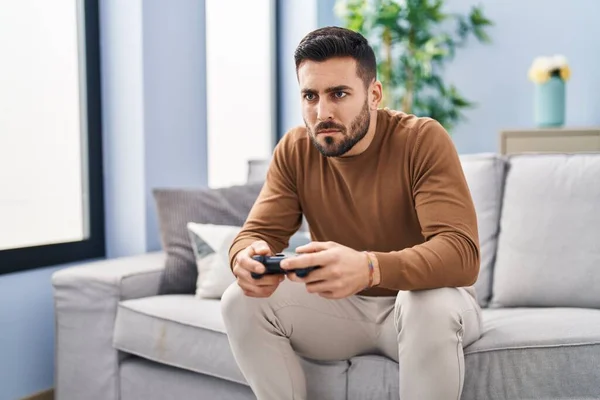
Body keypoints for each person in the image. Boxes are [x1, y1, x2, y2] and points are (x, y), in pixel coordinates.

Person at [221, 26, 483, 400]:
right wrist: (244, 257)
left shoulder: (422, 139)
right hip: (342, 311)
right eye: (310, 95)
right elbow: (254, 233)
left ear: (373, 94)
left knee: (423, 302)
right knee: (239, 300)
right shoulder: (295, 149)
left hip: (423, 310)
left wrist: (370, 268)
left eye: (338, 94)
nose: (322, 111)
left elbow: (461, 252)